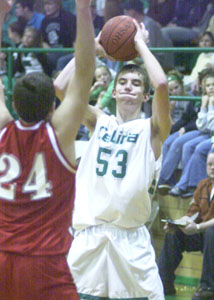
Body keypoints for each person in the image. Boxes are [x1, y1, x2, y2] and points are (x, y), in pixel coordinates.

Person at [55, 18, 171, 300]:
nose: (129, 87)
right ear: (114, 91)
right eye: (123, 82)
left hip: (131, 241)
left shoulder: (153, 130)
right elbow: (60, 86)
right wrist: (93, 49)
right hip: (90, 237)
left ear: (145, 95)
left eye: (135, 84)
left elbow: (162, 83)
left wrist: (140, 44)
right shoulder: (99, 122)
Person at [0, 1, 95, 300]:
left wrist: (1, 14)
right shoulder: (60, 135)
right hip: (45, 263)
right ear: (53, 107)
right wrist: (83, 9)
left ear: (13, 105)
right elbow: (83, 73)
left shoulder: (3, 128)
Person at [158, 149, 214, 300]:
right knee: (174, 234)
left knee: (212, 232)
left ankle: (208, 287)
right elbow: (192, 213)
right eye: (209, 164)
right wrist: (177, 224)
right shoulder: (203, 185)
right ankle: (164, 283)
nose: (212, 167)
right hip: (204, 235)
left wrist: (197, 227)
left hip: (210, 235)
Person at [169, 71, 214, 197]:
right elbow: (202, 126)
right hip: (209, 134)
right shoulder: (204, 100)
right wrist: (204, 107)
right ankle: (189, 185)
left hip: (212, 135)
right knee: (188, 146)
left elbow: (211, 126)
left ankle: (189, 186)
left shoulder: (210, 101)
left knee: (199, 148)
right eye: (208, 85)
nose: (211, 87)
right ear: (204, 88)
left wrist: (209, 107)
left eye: (213, 84)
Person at [124, 0, 174, 71]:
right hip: (147, 57)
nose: (126, 14)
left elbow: (148, 51)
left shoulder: (148, 24)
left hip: (159, 60)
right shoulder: (137, 24)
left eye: (127, 11)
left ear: (133, 12)